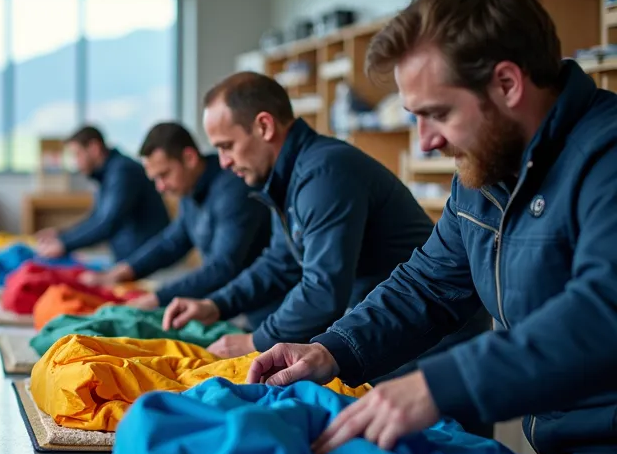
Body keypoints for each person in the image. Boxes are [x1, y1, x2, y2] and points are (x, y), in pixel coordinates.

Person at [247, 0, 617, 454]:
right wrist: (331, 350)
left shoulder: (605, 157)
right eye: (415, 117)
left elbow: (601, 312)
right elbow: (428, 285)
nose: (426, 140)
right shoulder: (487, 169)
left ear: (507, 84)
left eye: (438, 113)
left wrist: (436, 387)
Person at [162, 71, 488, 362]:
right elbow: (280, 262)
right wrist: (216, 305)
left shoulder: (325, 173)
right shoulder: (287, 176)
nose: (223, 162)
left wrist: (255, 339)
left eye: (227, 145)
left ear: (263, 126)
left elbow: (321, 292)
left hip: (429, 336)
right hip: (383, 324)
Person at [80, 122, 278, 325]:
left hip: (269, 308)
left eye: (164, 175)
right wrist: (124, 271)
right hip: (237, 302)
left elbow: (222, 266)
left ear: (189, 158)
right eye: (155, 179)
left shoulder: (232, 188)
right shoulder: (189, 189)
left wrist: (158, 298)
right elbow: (173, 241)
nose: (160, 187)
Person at [35, 126, 171, 263]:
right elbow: (96, 218)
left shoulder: (123, 171)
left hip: (149, 264)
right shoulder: (109, 173)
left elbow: (108, 223)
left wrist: (64, 245)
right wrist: (62, 235)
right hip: (131, 258)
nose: (76, 163)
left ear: (94, 148)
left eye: (77, 154)